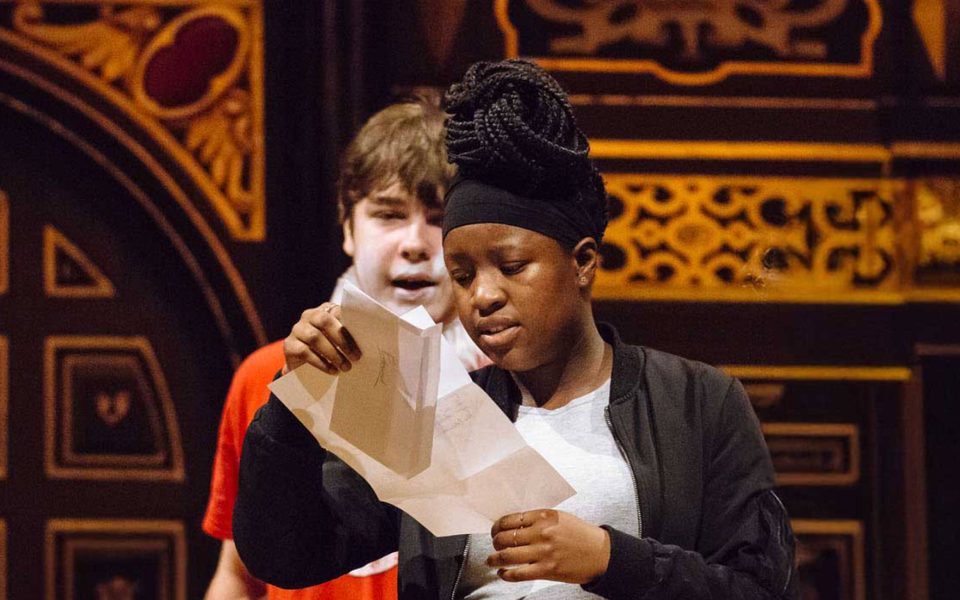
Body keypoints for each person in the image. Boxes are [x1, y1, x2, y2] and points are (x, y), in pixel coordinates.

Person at [233, 59, 798, 599]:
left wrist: (610, 559)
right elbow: (289, 555)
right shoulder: (442, 419)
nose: (483, 296)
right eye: (461, 274)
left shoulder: (695, 403)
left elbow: (761, 588)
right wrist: (296, 403)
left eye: (511, 267)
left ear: (582, 262)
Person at [202, 94, 488, 600]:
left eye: (439, 218)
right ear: (348, 226)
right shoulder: (269, 374)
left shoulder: (505, 382)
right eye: (389, 214)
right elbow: (238, 572)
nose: (416, 243)